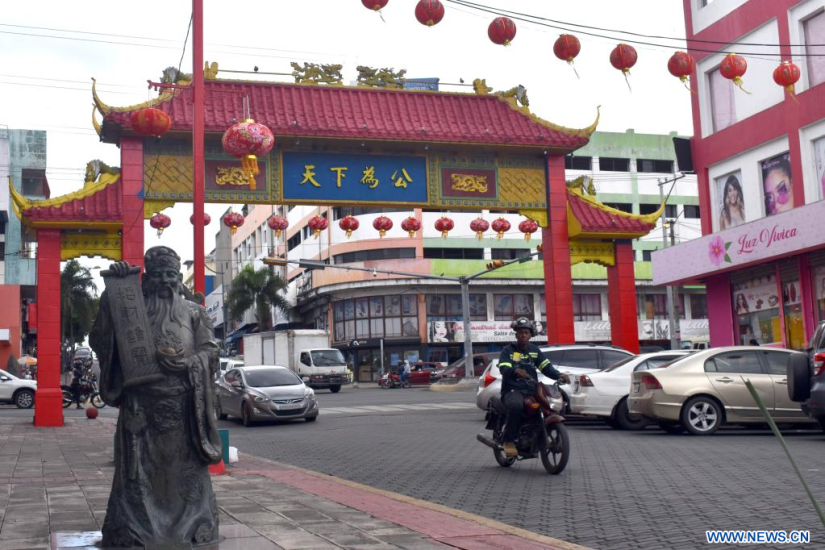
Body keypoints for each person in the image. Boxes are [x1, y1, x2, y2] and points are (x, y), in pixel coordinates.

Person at [90, 246, 222, 548]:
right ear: (147, 277)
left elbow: (210, 351)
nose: (164, 281)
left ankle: (193, 526)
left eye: (170, 275)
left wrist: (190, 363)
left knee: (185, 478)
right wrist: (113, 294)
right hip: (141, 410)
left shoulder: (195, 312)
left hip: (184, 410)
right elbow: (101, 339)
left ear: (179, 278)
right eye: (158, 274)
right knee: (138, 479)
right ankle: (135, 530)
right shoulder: (132, 311)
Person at [497, 317, 569, 458]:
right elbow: (503, 367)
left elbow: (546, 367)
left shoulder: (535, 350)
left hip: (531, 390)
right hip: (513, 390)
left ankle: (537, 436)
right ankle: (509, 441)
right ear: (516, 335)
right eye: (520, 332)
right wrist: (514, 370)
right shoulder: (508, 350)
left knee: (550, 406)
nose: (523, 335)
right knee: (516, 406)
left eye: (526, 332)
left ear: (530, 335)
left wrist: (559, 375)